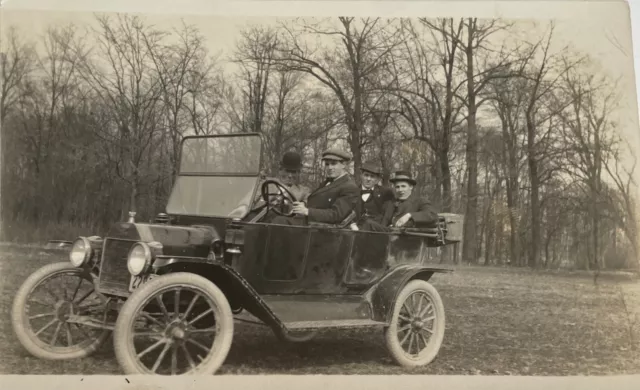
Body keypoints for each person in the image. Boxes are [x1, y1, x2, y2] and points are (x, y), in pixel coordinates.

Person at [271, 148, 359, 226]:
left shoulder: (349, 187)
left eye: (333, 164)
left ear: (344, 165)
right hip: (309, 223)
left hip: (319, 229)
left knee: (279, 221)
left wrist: (307, 211)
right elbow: (315, 201)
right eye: (327, 164)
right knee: (270, 216)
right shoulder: (328, 182)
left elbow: (336, 215)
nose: (329, 167)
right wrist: (304, 205)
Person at [350, 161, 395, 231]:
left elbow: (388, 214)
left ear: (377, 179)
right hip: (356, 231)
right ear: (361, 176)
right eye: (366, 175)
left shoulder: (385, 193)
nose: (368, 179)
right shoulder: (352, 192)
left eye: (372, 176)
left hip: (376, 232)